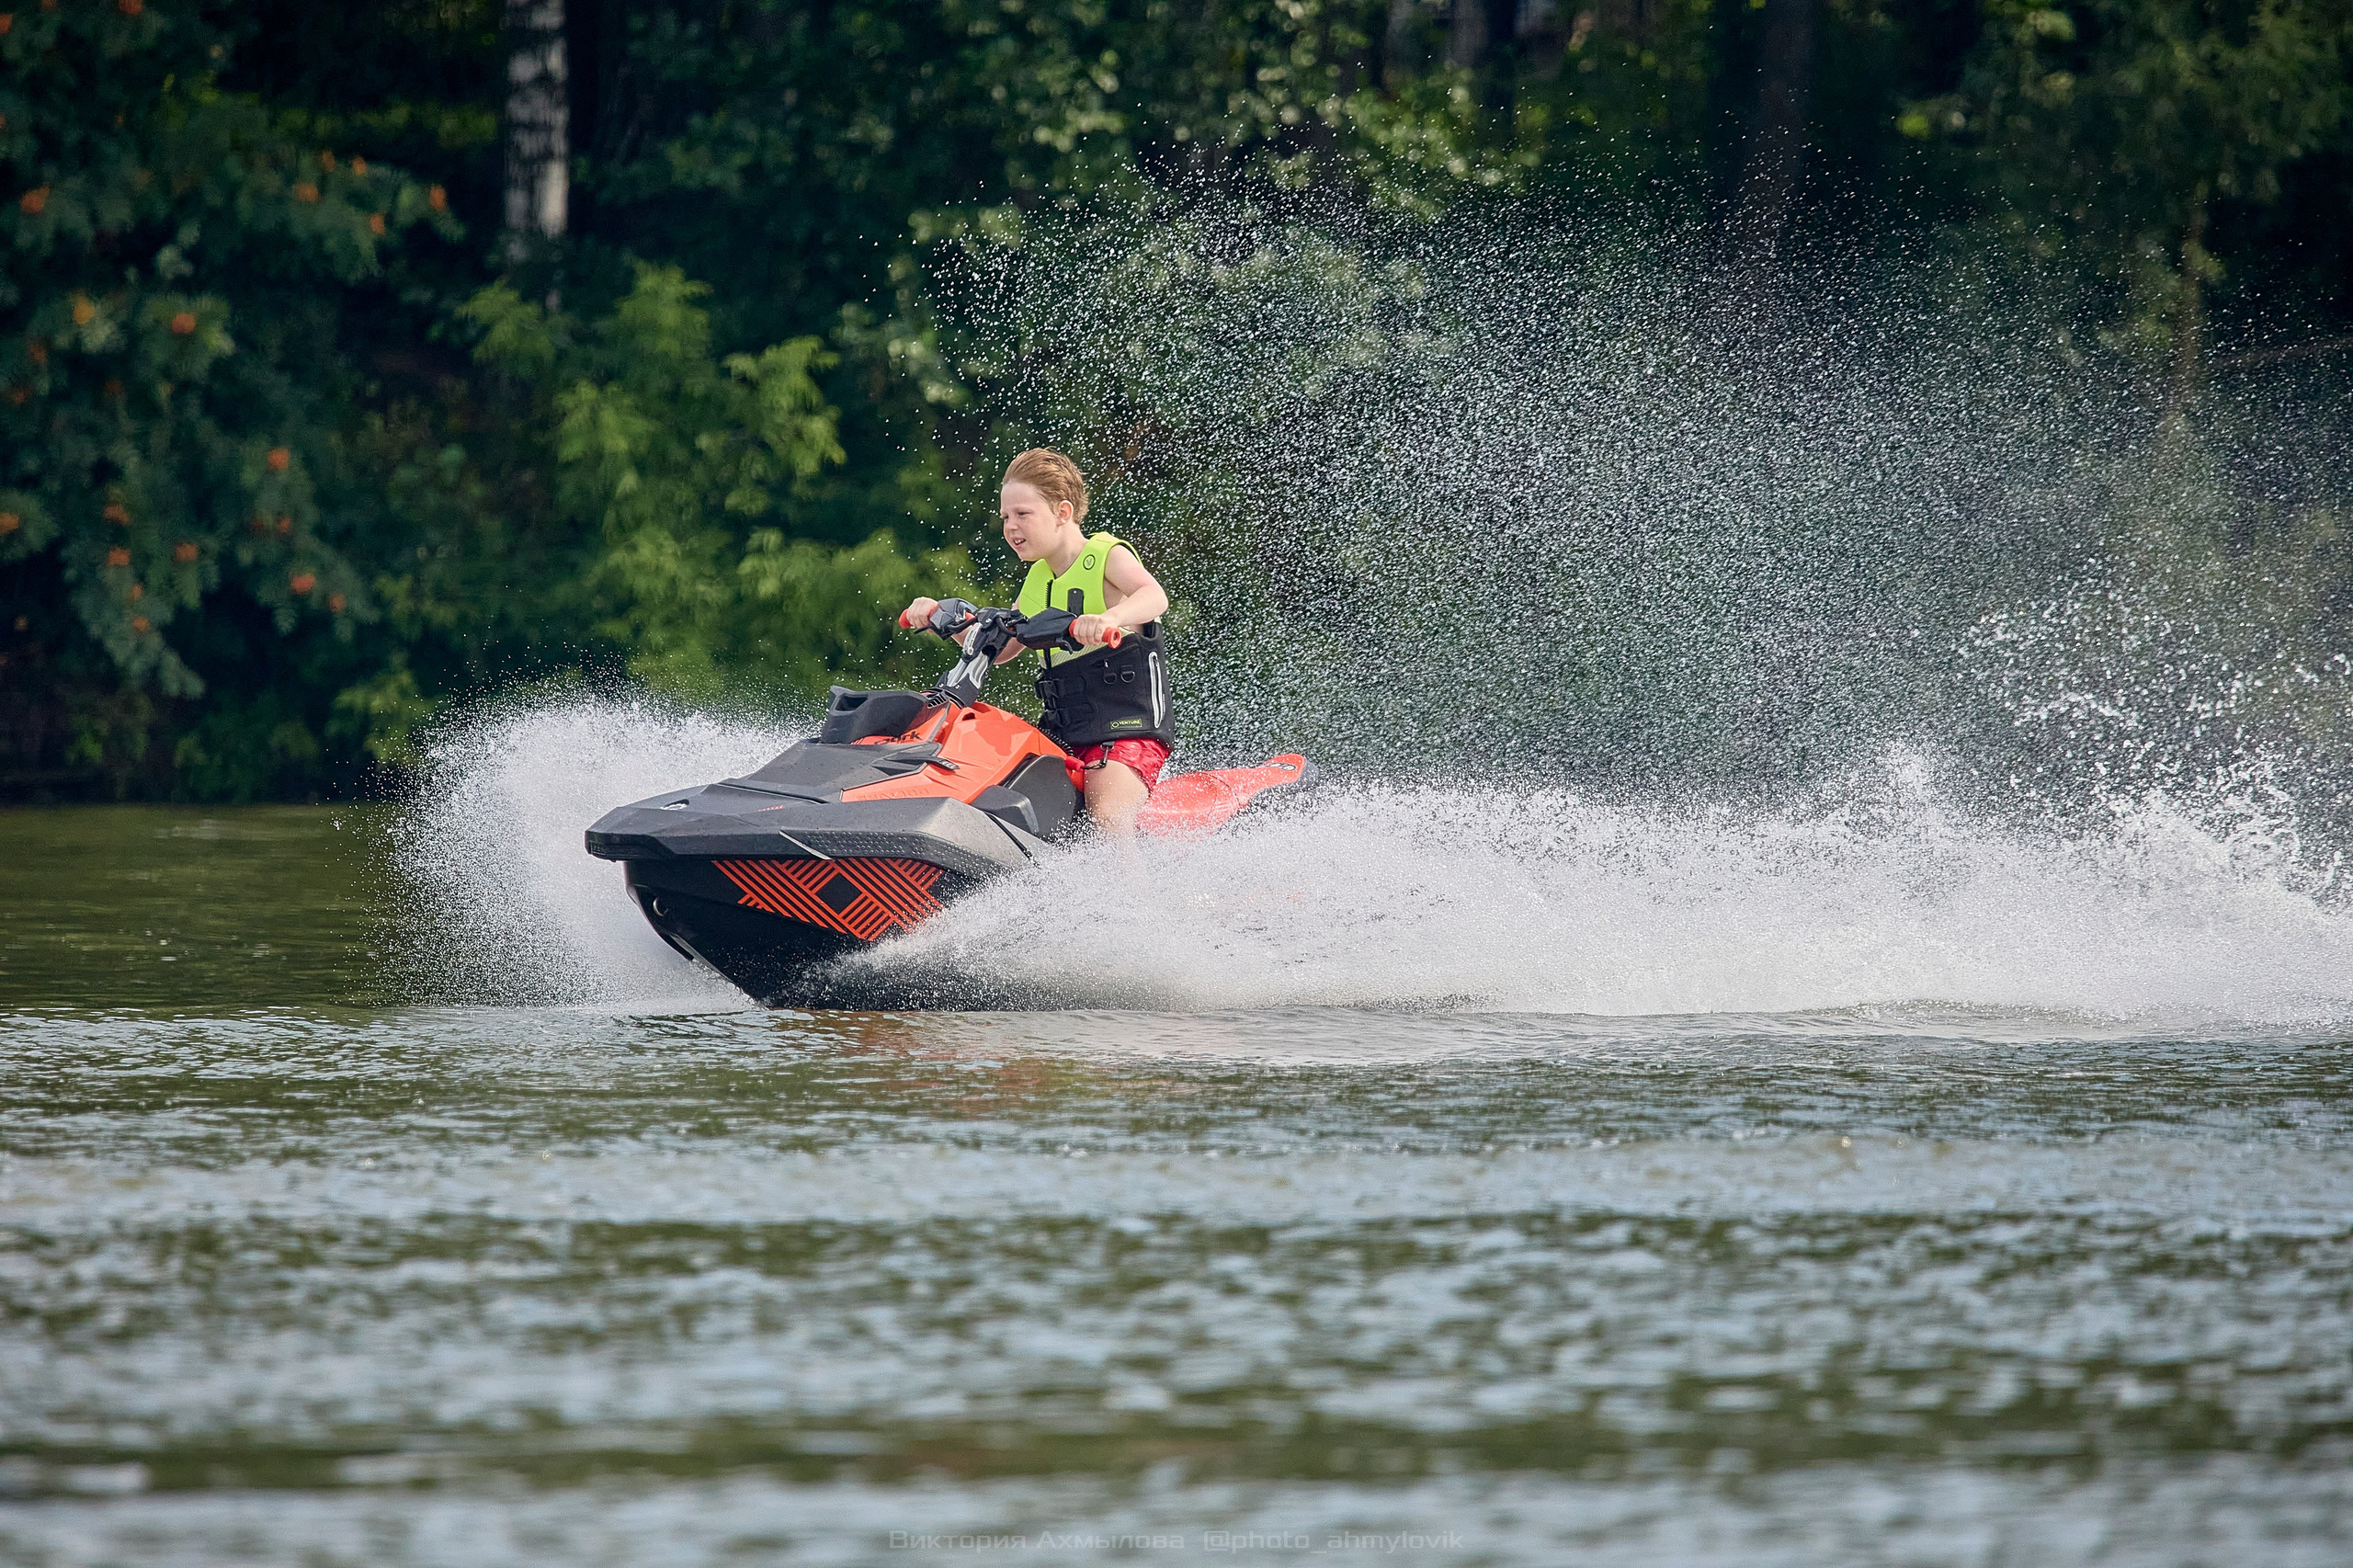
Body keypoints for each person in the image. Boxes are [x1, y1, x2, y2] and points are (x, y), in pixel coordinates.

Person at [902, 449, 1178, 833]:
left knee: (1107, 814)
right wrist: (938, 618)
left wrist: (1109, 618)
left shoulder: (1104, 556)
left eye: (1022, 514)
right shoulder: (1035, 583)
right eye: (1005, 517)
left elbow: (1154, 597)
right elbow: (1002, 649)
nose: (1011, 527)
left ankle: (1134, 894)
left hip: (1127, 730)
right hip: (1063, 734)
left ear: (1062, 513)